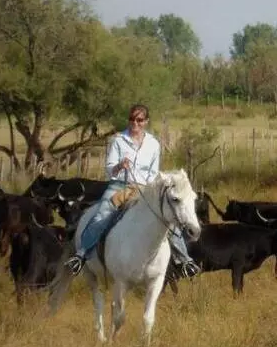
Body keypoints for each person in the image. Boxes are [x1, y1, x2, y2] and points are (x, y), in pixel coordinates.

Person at [64, 104, 200, 278]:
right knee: (102, 214)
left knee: (168, 215)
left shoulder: (153, 144)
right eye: (132, 119)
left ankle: (184, 260)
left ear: (146, 122)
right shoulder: (118, 140)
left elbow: (153, 172)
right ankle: (81, 255)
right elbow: (109, 170)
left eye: (139, 120)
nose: (135, 123)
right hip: (120, 186)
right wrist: (120, 165)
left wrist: (151, 188)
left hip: (145, 188)